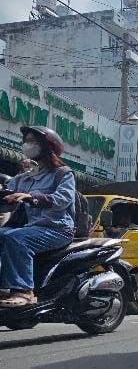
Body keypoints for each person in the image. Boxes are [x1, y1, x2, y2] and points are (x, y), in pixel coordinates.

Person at [0, 126, 76, 307]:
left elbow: (63, 199)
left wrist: (33, 197)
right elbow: (8, 187)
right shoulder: (25, 177)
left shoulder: (63, 173)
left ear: (46, 146)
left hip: (57, 229)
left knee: (15, 238)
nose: (27, 145)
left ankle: (24, 291)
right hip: (33, 228)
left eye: (32, 141)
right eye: (26, 141)